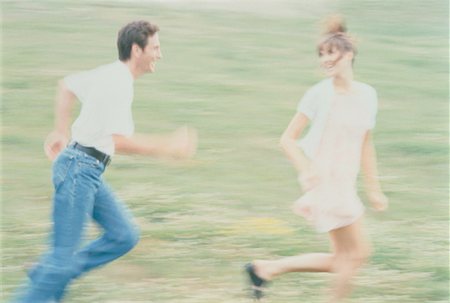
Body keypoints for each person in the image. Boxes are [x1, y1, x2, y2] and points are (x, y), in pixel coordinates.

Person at [13, 20, 197, 303]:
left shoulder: (111, 73)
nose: (160, 55)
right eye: (156, 48)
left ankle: (47, 274)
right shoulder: (119, 83)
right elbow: (119, 141)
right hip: (79, 170)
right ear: (137, 50)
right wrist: (167, 147)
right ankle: (50, 275)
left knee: (124, 235)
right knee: (60, 260)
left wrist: (60, 132)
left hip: (85, 168)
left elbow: (66, 87)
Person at [245, 16, 388, 302]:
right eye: (321, 54)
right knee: (355, 255)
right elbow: (287, 138)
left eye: (330, 53)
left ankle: (266, 269)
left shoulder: (368, 95)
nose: (324, 60)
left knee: (347, 257)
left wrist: (374, 188)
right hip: (325, 181)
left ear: (348, 55)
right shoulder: (318, 95)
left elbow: (365, 145)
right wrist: (305, 169)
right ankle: (268, 270)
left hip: (345, 183)